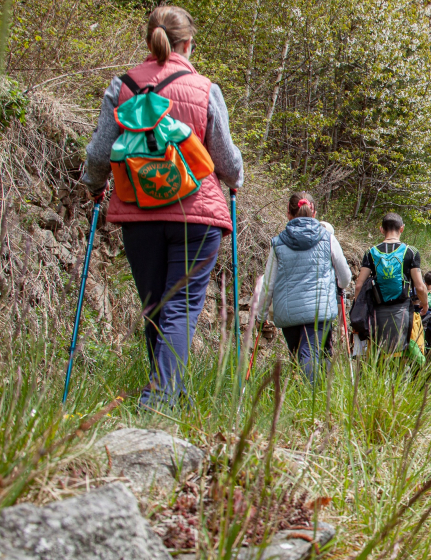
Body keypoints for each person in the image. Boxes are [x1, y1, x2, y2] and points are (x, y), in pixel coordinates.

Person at [81, 6, 243, 408]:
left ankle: (170, 394)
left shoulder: (122, 87)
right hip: (197, 214)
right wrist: (236, 180)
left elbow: (101, 153)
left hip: (140, 212)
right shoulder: (205, 88)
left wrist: (93, 186)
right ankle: (160, 397)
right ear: (188, 44)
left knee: (156, 306)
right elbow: (225, 159)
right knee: (181, 308)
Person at [255, 193, 351, 381]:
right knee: (311, 354)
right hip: (319, 310)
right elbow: (346, 277)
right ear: (314, 213)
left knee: (298, 355)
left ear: (288, 214)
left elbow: (268, 283)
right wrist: (339, 285)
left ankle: (306, 395)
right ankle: (311, 401)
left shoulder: (278, 242)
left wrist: (261, 315)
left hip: (288, 312)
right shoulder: (328, 238)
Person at [355, 213, 428, 354]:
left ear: (382, 229)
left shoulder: (371, 252)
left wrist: (359, 309)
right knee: (401, 353)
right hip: (402, 310)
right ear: (402, 228)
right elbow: (419, 286)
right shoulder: (410, 252)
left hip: (378, 310)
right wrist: (424, 303)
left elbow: (359, 285)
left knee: (379, 352)